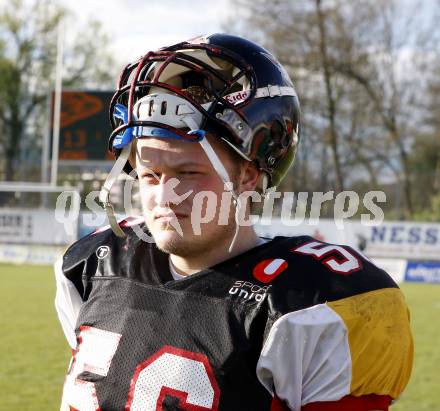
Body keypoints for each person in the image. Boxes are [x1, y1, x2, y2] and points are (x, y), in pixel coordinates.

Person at [54, 33, 413, 411]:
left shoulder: (311, 306)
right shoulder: (93, 265)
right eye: (150, 175)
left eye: (188, 172)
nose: (164, 197)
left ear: (248, 176)